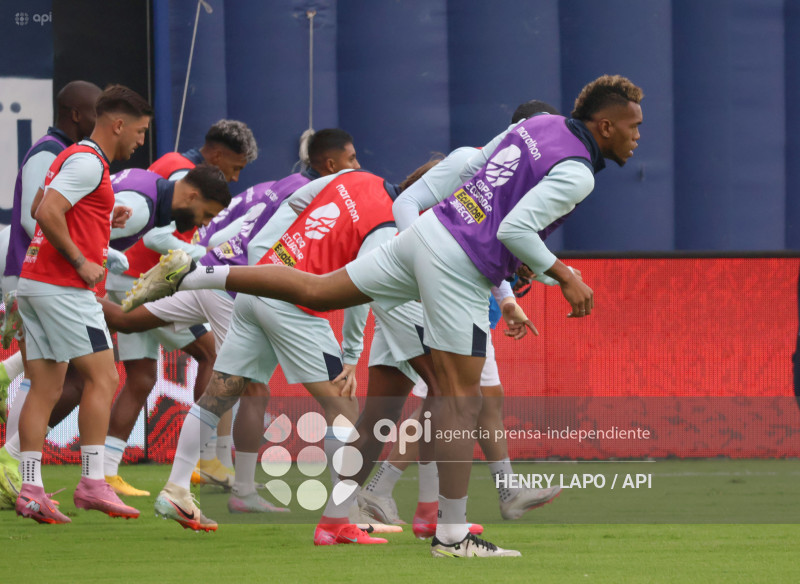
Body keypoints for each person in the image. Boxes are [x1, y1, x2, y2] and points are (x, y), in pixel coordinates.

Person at [124, 75, 643, 557]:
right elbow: (514, 232)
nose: (637, 135)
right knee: (457, 401)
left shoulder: (536, 125)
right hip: (457, 269)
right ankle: (452, 531)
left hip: (421, 239)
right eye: (633, 125)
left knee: (325, 298)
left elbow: (473, 175)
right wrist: (563, 274)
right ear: (605, 125)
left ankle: (193, 274)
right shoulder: (577, 172)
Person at [14, 84, 154, 524]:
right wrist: (80, 260)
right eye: (140, 130)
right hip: (64, 287)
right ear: (118, 124)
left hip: (34, 282)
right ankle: (93, 483)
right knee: (105, 377)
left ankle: (30, 488)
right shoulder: (89, 162)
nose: (141, 139)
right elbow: (47, 211)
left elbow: (40, 202)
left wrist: (99, 213)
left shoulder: (71, 156)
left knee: (46, 388)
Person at [110, 120, 257, 492]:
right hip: (139, 280)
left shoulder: (174, 166)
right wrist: (211, 259)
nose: (235, 179)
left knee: (140, 378)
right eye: (236, 168)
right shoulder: (184, 176)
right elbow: (160, 236)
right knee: (211, 353)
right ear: (218, 156)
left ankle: (106, 472)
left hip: (127, 275)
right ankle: (206, 457)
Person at [0, 81, 104, 508]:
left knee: (59, 376)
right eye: (98, 111)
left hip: (44, 278)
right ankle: (11, 464)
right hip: (43, 277)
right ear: (77, 114)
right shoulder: (53, 150)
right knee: (70, 377)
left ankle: (20, 472)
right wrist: (78, 258)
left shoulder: (67, 151)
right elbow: (34, 218)